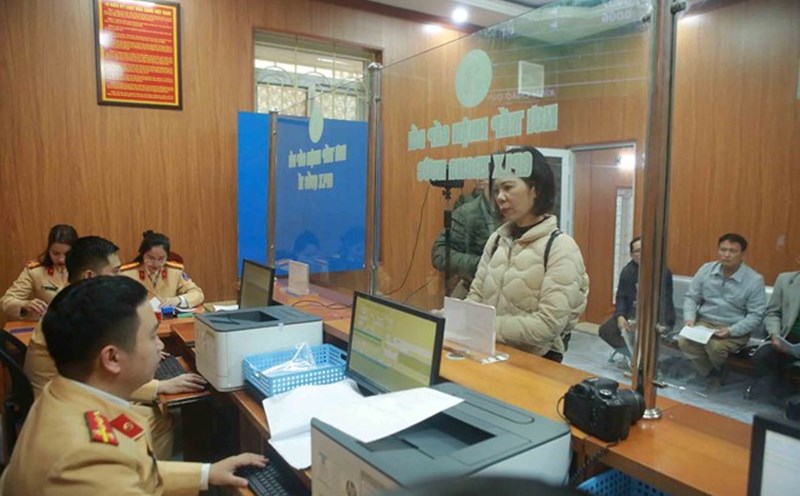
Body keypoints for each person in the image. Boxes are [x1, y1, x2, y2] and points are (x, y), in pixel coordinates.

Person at [0, 276, 265, 495]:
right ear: (112, 358)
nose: (160, 345)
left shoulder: (62, 394)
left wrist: (208, 472)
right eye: (152, 336)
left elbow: (137, 469)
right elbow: (114, 470)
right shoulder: (88, 459)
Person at [23, 236, 206, 459]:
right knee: (157, 418)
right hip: (70, 410)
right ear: (90, 276)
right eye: (116, 271)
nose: (120, 278)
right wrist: (161, 386)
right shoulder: (81, 316)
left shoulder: (74, 302)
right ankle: (146, 479)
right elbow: (99, 377)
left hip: (63, 398)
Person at [466, 146, 589, 361]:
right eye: (496, 191)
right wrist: (456, 316)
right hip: (489, 354)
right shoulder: (497, 239)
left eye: (508, 187)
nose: (500, 198)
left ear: (535, 189)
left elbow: (548, 324)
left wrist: (483, 324)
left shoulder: (561, 247)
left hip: (534, 362)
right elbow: (476, 294)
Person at [678, 233, 766, 382]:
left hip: (733, 326)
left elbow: (756, 315)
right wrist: (689, 319)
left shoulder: (754, 280)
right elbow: (692, 297)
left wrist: (731, 331)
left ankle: (715, 374)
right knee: (684, 341)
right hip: (704, 323)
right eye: (723, 250)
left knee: (715, 347)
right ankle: (712, 374)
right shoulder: (706, 269)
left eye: (732, 251)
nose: (726, 255)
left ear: (743, 255)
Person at [598, 237, 676, 360]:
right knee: (606, 330)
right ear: (632, 255)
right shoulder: (627, 272)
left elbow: (663, 303)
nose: (642, 254)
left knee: (643, 333)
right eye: (638, 251)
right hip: (632, 314)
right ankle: (635, 356)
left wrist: (639, 321)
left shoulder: (662, 272)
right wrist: (620, 316)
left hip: (657, 317)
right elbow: (621, 296)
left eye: (645, 250)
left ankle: (644, 360)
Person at [430, 180, 501, 298]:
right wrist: (480, 264)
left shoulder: (522, 211)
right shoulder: (467, 212)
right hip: (473, 288)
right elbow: (439, 253)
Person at [1, 224, 78, 320]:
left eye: (67, 254)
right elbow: (6, 301)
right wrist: (25, 304)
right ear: (48, 250)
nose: (61, 259)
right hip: (46, 326)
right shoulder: (35, 271)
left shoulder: (86, 269)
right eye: (55, 253)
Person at [121, 230, 204, 308]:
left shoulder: (174, 271)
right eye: (150, 258)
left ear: (167, 257)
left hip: (169, 320)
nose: (155, 264)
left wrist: (178, 300)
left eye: (161, 259)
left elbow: (197, 294)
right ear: (142, 255)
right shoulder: (127, 274)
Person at [755, 265, 800, 399]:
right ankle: (784, 397)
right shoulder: (785, 280)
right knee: (764, 356)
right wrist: (775, 335)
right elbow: (773, 313)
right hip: (788, 336)